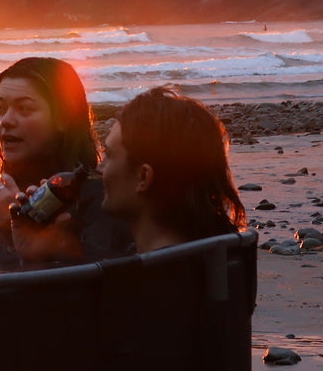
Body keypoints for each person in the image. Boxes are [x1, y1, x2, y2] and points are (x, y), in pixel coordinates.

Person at [0, 57, 131, 264]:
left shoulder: (102, 202)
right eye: (0, 109)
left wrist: (10, 229)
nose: (6, 120)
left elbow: (90, 289)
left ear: (64, 119)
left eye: (24, 108)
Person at [99, 87, 246, 250]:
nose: (100, 167)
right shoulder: (218, 257)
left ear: (143, 177)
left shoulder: (144, 274)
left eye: (109, 155)